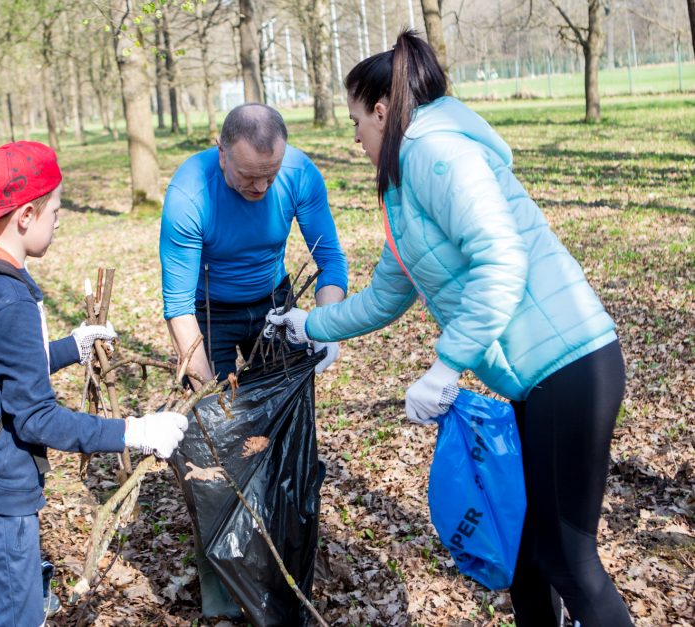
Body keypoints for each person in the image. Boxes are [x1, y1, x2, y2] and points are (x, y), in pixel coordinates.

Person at [267, 31, 633, 627]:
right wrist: (311, 323)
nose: (354, 137)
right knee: (528, 555)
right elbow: (389, 292)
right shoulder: (406, 186)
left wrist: (445, 366)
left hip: (571, 368)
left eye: (357, 120)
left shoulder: (437, 154)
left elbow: (501, 260)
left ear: (382, 111)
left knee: (569, 558)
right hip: (539, 380)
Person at [0, 141, 189, 626]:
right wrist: (134, 432)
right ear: (27, 215)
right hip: (0, 499)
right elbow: (36, 418)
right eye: (56, 210)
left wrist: (66, 348)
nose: (59, 220)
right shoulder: (9, 296)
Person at [159, 103, 349, 387]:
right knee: (213, 414)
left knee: (286, 407)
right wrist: (207, 395)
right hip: (209, 314)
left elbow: (329, 258)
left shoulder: (299, 173)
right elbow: (178, 307)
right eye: (248, 175)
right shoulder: (189, 195)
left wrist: (325, 328)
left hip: (275, 304)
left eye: (270, 174)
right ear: (222, 154)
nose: (261, 186)